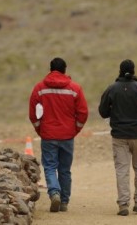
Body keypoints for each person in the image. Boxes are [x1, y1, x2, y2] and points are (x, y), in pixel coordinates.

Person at [99, 59, 137, 216]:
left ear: (120, 70)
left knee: (122, 169)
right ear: (133, 71)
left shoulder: (112, 89)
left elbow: (103, 111)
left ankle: (123, 204)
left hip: (119, 136)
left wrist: (113, 114)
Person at [28, 57, 88, 213]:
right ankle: (64, 202)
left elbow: (33, 113)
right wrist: (76, 130)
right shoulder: (75, 89)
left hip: (48, 134)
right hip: (67, 135)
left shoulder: (40, 88)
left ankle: (54, 192)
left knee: (49, 167)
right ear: (65, 70)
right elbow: (83, 113)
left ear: (50, 69)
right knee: (65, 169)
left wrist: (39, 129)